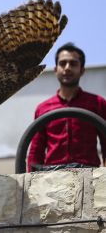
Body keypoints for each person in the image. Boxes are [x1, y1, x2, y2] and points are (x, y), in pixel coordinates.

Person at [27, 42, 106, 172]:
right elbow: (36, 150)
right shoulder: (43, 108)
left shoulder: (98, 103)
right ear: (55, 70)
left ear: (82, 70)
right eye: (62, 63)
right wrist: (30, 182)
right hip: (51, 178)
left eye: (73, 64)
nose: (67, 68)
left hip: (90, 175)